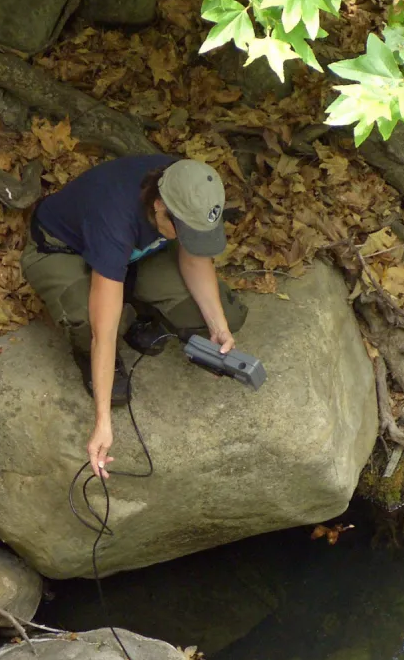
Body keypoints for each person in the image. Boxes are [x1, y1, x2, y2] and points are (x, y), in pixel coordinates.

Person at [21, 154, 247, 479]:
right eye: (182, 231)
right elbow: (104, 330)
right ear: (158, 206)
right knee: (90, 320)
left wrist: (219, 328)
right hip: (62, 249)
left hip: (136, 251)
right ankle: (95, 342)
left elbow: (195, 259)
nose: (187, 240)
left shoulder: (191, 189)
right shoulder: (113, 217)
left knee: (222, 314)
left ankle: (138, 301)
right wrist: (103, 422)